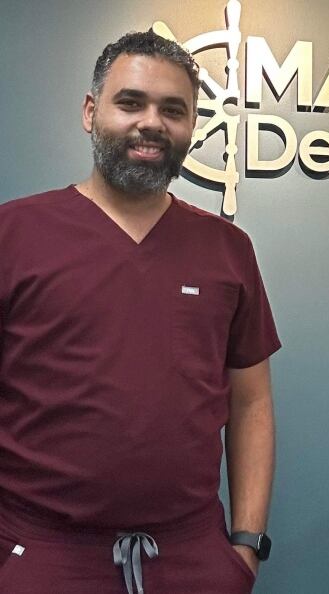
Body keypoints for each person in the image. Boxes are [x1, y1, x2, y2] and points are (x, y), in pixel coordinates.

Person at [0, 30, 280, 594]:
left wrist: (245, 547)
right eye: (130, 102)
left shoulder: (228, 249)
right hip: (39, 557)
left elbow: (251, 400)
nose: (151, 122)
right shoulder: (14, 233)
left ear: (192, 126)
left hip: (191, 558)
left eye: (172, 110)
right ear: (90, 111)